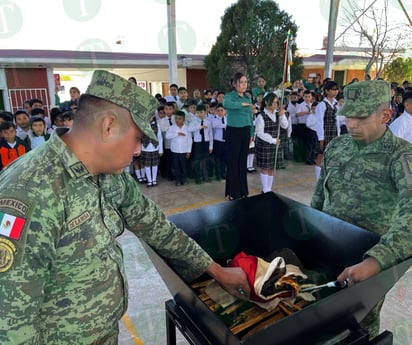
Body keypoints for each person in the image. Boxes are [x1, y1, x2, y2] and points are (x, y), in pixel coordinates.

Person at [0, 70, 249, 344]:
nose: (138, 151)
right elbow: (12, 326)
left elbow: (155, 226)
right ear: (108, 126)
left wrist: (215, 270)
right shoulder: (30, 191)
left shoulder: (111, 175)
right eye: (138, 139)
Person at [311, 80, 412, 339]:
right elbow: (320, 197)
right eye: (348, 115)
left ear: (385, 115)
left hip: (368, 261)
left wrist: (375, 262)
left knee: (357, 325)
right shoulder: (337, 147)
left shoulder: (400, 156)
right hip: (326, 251)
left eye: (361, 116)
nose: (351, 123)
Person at [223, 72, 254, 200]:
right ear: (235, 84)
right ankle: (233, 192)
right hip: (233, 132)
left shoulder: (247, 97)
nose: (244, 85)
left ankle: (242, 190)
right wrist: (242, 105)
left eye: (245, 82)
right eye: (241, 82)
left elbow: (249, 116)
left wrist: (252, 132)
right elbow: (227, 105)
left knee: (242, 162)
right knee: (233, 162)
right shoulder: (229, 96)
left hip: (245, 131)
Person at [255, 92, 288, 193]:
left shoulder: (278, 113)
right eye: (273, 103)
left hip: (275, 145)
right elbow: (259, 133)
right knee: (265, 167)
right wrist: (272, 140)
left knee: (272, 168)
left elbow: (285, 126)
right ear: (266, 102)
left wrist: (282, 116)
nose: (275, 105)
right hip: (265, 145)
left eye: (276, 103)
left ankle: (269, 188)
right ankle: (265, 189)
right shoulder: (261, 116)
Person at [166, 110, 192, 186]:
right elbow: (167, 136)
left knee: (183, 166)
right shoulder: (172, 128)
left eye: (180, 119)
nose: (177, 120)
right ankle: (177, 179)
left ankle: (183, 179)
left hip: (184, 151)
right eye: (176, 118)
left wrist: (188, 151)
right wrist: (177, 134)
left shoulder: (187, 128)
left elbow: (189, 140)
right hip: (175, 151)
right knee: (176, 166)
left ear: (183, 119)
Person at [189, 104, 213, 184]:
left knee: (205, 160)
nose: (200, 114)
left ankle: (205, 177)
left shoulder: (208, 121)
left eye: (201, 112)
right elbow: (189, 129)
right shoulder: (194, 121)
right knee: (197, 161)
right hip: (197, 143)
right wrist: (200, 127)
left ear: (205, 112)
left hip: (206, 142)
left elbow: (210, 134)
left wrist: (211, 146)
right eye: (198, 112)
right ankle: (198, 178)